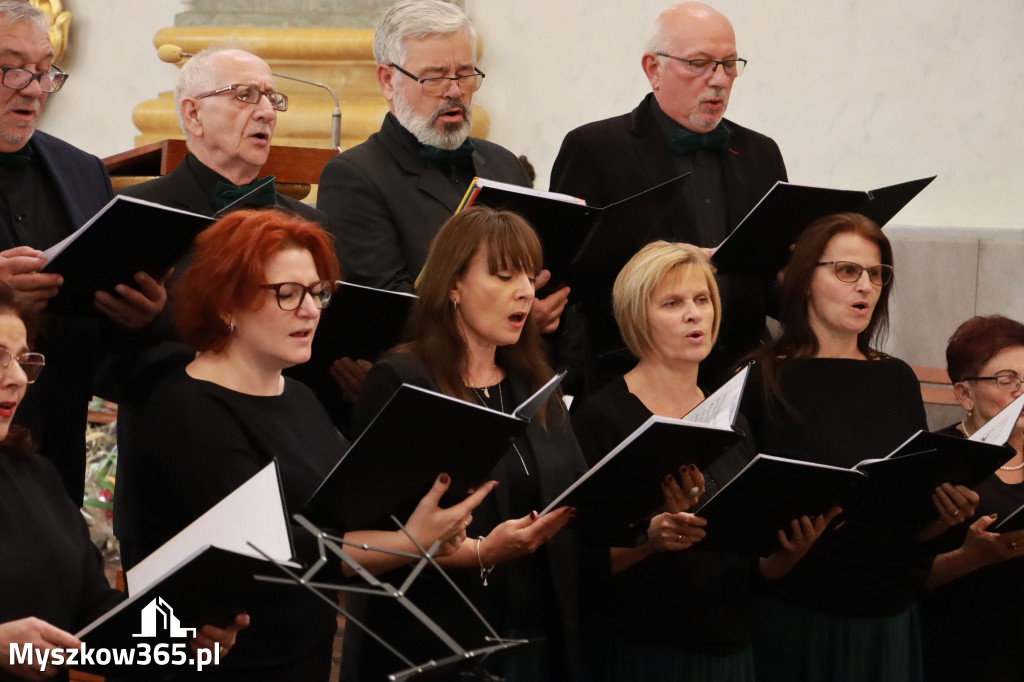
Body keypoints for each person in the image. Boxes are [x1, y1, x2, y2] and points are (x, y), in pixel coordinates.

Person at [114, 210, 492, 681]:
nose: (311, 310)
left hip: (301, 655)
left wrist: (428, 518)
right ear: (225, 304)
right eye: (287, 294)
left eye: (318, 293)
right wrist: (410, 542)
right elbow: (272, 554)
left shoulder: (298, 397)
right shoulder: (188, 413)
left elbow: (342, 509)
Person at [340, 206, 586, 681]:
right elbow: (367, 533)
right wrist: (481, 551)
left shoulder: (535, 381)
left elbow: (572, 492)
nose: (525, 291)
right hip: (438, 643)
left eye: (529, 277)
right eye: (503, 275)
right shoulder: (404, 380)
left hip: (538, 639)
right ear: (453, 286)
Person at [571, 242, 837, 681]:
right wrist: (650, 540)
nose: (694, 314)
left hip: (728, 645)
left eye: (702, 300)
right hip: (644, 651)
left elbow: (746, 562)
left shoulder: (728, 414)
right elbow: (571, 561)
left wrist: (789, 552)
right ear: (638, 317)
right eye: (672, 303)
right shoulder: (602, 419)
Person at [741, 213, 977, 681]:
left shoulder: (895, 377)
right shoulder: (761, 378)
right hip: (799, 606)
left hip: (886, 603)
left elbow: (906, 513)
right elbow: (745, 514)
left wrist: (940, 517)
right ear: (805, 280)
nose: (865, 287)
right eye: (847, 271)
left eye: (876, 274)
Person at [104, 46, 333, 519]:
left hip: (290, 460)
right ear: (193, 114)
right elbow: (93, 358)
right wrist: (148, 327)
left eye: (272, 98)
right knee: (170, 598)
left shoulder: (306, 226)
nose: (267, 111)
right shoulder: (137, 215)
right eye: (245, 95)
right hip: (174, 470)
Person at [0, 281, 245, 682]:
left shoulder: (37, 475)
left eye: (25, 361)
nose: (16, 378)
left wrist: (179, 643)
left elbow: (92, 618)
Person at [550, 1, 787, 395]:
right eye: (699, 63)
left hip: (743, 378)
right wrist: (666, 271)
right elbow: (571, 275)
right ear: (652, 68)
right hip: (633, 378)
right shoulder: (595, 148)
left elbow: (770, 273)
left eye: (729, 64)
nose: (719, 79)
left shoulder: (761, 153)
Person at [0, 0, 166, 503]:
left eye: (45, 72)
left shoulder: (82, 170)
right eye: (11, 69)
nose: (32, 88)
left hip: (57, 444)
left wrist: (139, 313)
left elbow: (99, 325)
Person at [316, 0, 568, 331]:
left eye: (465, 75)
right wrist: (511, 321)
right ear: (388, 81)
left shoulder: (503, 164)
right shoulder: (355, 177)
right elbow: (387, 314)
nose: (455, 91)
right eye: (434, 78)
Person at [919, 315, 1024, 682]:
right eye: (1006, 380)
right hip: (957, 651)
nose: (1021, 392)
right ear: (964, 394)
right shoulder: (936, 461)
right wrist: (970, 557)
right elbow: (900, 576)